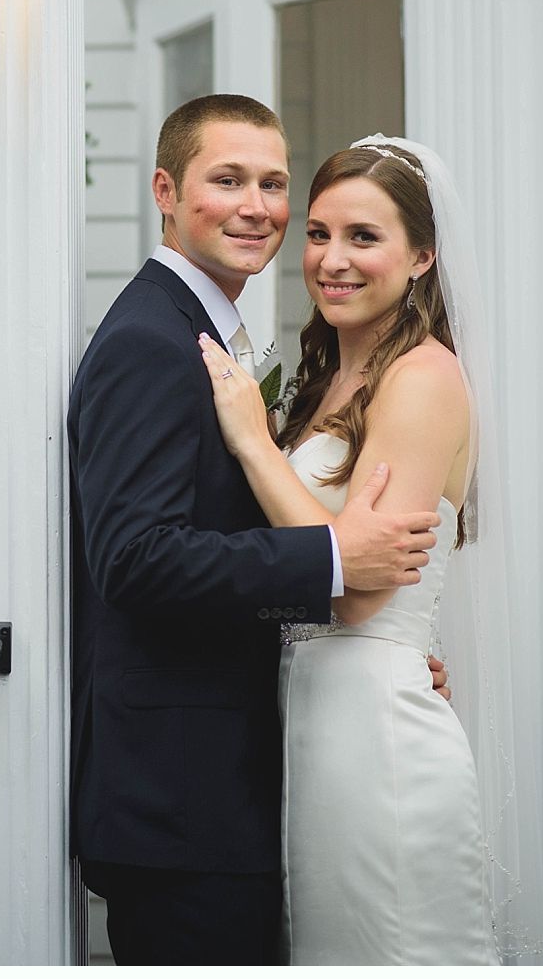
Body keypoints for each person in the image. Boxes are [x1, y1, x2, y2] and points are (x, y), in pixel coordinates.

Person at [68, 98, 445, 966]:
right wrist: (334, 558)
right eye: (227, 180)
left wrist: (371, 646)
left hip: (235, 783)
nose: (257, 206)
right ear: (166, 190)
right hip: (181, 795)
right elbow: (134, 558)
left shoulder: (205, 332)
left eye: (273, 183)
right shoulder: (151, 340)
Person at [197, 134, 530, 963]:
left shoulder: (422, 376)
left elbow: (357, 592)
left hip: (377, 740)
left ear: (422, 255)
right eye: (318, 233)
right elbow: (313, 556)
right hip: (313, 727)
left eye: (363, 237)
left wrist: (254, 443)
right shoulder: (321, 376)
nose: (332, 260)